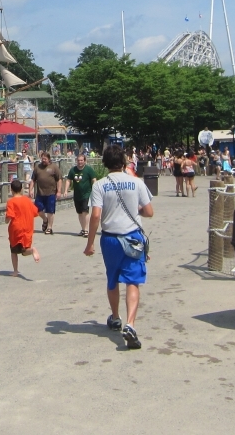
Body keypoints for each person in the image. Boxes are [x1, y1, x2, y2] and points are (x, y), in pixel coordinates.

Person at [84, 144, 154, 350]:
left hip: (110, 238)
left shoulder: (100, 186)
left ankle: (115, 317)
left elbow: (95, 215)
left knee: (112, 278)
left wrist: (89, 244)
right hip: (132, 237)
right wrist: (135, 211)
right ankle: (131, 324)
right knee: (133, 281)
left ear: (105, 163)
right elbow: (149, 211)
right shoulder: (136, 182)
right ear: (124, 162)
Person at [6, 178, 40, 275]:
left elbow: (9, 216)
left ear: (11, 189)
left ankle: (15, 271)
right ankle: (32, 250)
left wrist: (6, 221)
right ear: (21, 189)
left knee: (14, 251)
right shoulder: (27, 200)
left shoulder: (11, 202)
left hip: (16, 228)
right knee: (25, 250)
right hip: (28, 227)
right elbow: (35, 212)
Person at [31, 151, 62, 234]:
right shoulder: (37, 167)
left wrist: (59, 191)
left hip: (51, 193)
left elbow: (59, 179)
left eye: (45, 159)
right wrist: (31, 190)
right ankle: (45, 220)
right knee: (37, 209)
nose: (43, 160)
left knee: (50, 211)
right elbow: (33, 180)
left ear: (49, 159)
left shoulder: (54, 167)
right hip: (40, 193)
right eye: (42, 158)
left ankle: (49, 227)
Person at [67, 153, 97, 237]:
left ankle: (86, 230)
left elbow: (94, 180)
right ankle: (83, 229)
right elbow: (68, 180)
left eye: (81, 160)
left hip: (86, 194)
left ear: (84, 161)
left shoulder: (88, 170)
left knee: (85, 211)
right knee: (80, 213)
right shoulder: (73, 170)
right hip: (77, 195)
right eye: (78, 160)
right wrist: (65, 190)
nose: (80, 162)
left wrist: (95, 190)